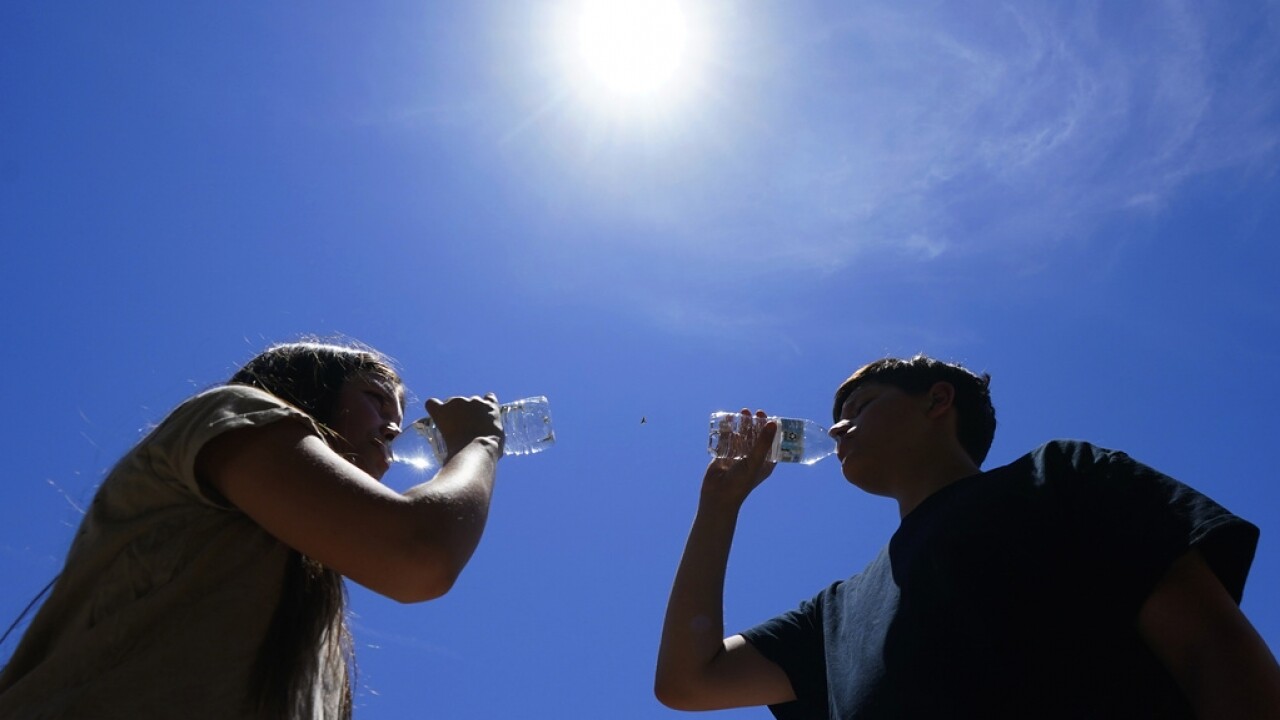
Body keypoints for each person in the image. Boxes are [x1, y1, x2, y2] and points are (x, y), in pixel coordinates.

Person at [655, 355, 1280, 719]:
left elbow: (1210, 648)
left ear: (938, 401)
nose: (838, 430)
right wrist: (721, 504)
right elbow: (689, 681)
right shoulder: (834, 615)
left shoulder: (1059, 477)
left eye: (862, 405)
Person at [0, 340, 505, 719]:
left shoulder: (306, 597)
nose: (394, 429)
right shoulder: (232, 412)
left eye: (398, 419)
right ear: (308, 390)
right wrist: (477, 444)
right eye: (376, 399)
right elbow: (420, 554)